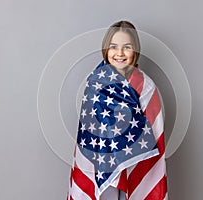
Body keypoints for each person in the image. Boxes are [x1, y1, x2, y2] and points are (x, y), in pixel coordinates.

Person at [68, 21, 167, 200]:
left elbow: (155, 134)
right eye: (113, 47)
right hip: (99, 164)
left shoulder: (146, 87)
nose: (119, 53)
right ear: (106, 49)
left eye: (126, 47)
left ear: (135, 51)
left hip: (134, 165)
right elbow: (87, 132)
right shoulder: (94, 84)